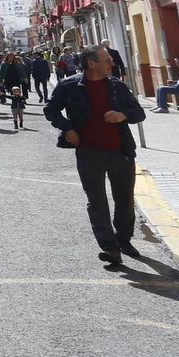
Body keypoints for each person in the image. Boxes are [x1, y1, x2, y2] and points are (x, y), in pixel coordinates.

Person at [45, 43, 147, 268]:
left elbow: (138, 113)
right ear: (92, 64)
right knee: (96, 200)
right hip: (89, 153)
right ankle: (110, 248)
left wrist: (122, 115)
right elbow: (51, 109)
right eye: (107, 60)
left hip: (121, 152)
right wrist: (67, 129)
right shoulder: (69, 86)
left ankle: (123, 240)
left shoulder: (116, 86)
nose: (112, 63)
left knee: (124, 199)